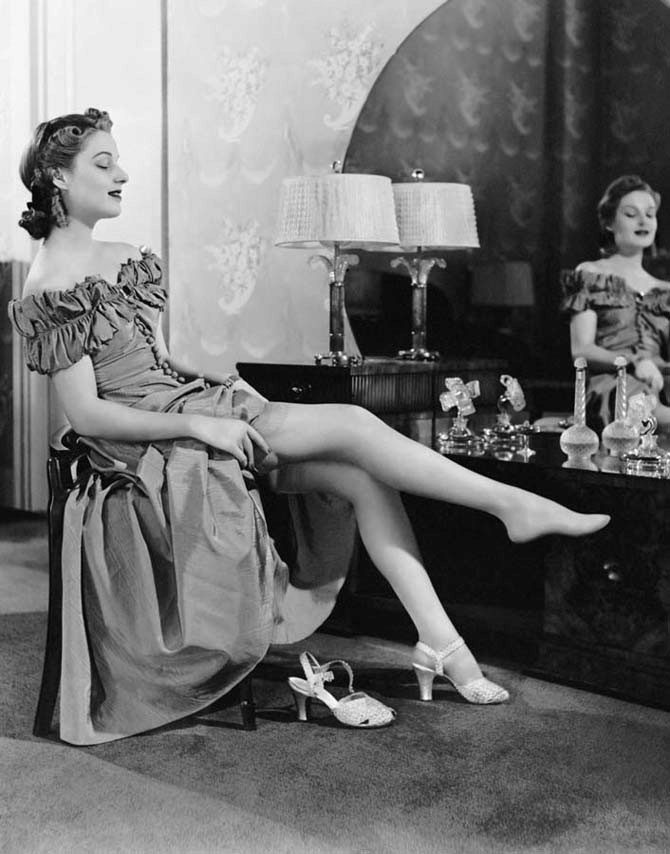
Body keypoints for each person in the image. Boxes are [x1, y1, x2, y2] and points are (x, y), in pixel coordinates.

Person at [9, 109, 610, 744]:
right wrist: (201, 426)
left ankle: (443, 645)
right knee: (353, 422)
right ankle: (512, 505)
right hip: (150, 443)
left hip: (193, 407)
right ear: (57, 176)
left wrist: (224, 381)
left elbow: (163, 360)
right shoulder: (49, 284)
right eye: (104, 164)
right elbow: (88, 414)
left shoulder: (128, 257)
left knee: (362, 479)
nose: (122, 175)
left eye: (118, 161)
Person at [562, 174, 670, 433]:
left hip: (659, 383)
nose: (643, 221)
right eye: (631, 214)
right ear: (610, 223)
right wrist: (634, 362)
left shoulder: (665, 290)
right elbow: (581, 350)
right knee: (642, 405)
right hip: (613, 385)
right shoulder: (591, 274)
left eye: (650, 214)